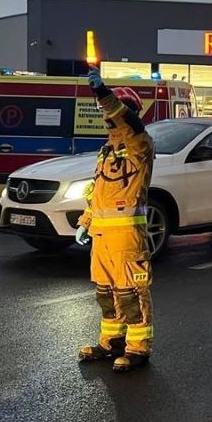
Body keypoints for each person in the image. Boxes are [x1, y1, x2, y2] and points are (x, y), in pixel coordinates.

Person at [75, 69, 156, 372]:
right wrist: (85, 222)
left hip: (126, 239)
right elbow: (98, 193)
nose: (107, 118)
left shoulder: (140, 146)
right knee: (106, 294)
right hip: (102, 238)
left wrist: (104, 95)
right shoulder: (106, 151)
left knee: (131, 294)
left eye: (113, 112)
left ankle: (138, 349)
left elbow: (127, 124)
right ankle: (112, 342)